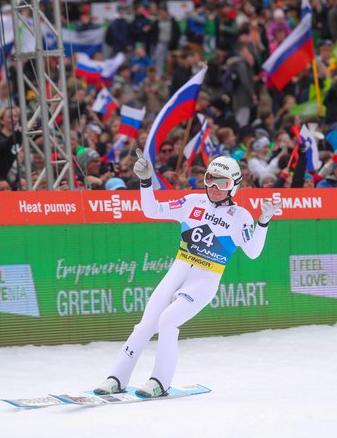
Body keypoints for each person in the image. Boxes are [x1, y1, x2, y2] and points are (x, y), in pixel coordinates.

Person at [94, 150, 280, 398]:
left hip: (204, 280)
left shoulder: (241, 217)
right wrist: (146, 181)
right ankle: (116, 378)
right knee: (146, 324)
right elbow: (152, 210)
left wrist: (264, 222)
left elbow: (254, 253)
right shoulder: (192, 201)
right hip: (178, 270)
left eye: (221, 182)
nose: (213, 186)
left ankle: (160, 382)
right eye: (209, 178)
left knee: (167, 321)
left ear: (233, 186)